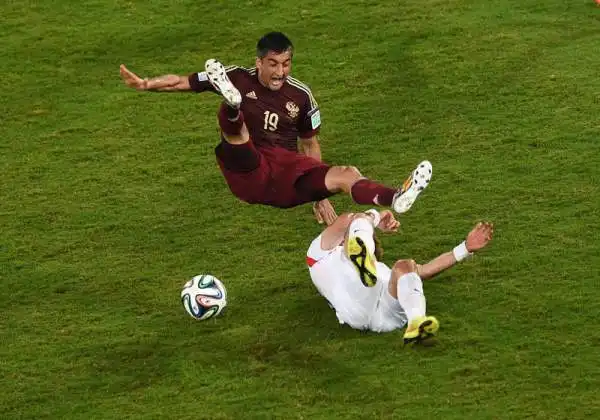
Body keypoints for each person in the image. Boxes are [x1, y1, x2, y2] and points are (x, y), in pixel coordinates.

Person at [120, 31, 431, 222]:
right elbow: (181, 82)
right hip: (248, 170)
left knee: (346, 174)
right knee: (238, 135)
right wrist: (148, 84)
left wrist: (319, 195)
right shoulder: (238, 76)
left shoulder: (301, 95)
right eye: (273, 64)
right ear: (259, 62)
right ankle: (232, 105)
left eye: (286, 63)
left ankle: (395, 197)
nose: (281, 71)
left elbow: (310, 145)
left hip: (284, 174)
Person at [306, 208, 494, 345]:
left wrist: (465, 248)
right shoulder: (320, 256)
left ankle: (417, 323)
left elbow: (425, 271)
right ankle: (361, 255)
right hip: (356, 306)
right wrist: (377, 216)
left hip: (384, 316)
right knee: (356, 224)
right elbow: (349, 219)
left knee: (406, 266)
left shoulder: (382, 270)